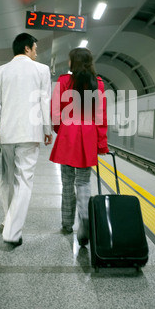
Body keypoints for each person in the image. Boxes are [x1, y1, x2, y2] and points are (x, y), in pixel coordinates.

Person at [0, 33, 52, 247]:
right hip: (30, 133)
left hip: (7, 134)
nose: (36, 53)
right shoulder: (42, 70)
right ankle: (12, 232)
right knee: (24, 180)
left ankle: (8, 220)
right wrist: (47, 129)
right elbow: (44, 102)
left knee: (7, 179)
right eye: (35, 49)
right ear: (26, 48)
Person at [50, 47, 109, 246]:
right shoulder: (98, 83)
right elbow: (101, 116)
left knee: (67, 183)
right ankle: (85, 217)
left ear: (72, 63)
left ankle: (67, 223)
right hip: (88, 136)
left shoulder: (63, 82)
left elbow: (55, 112)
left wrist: (62, 129)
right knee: (83, 182)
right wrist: (101, 143)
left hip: (68, 134)